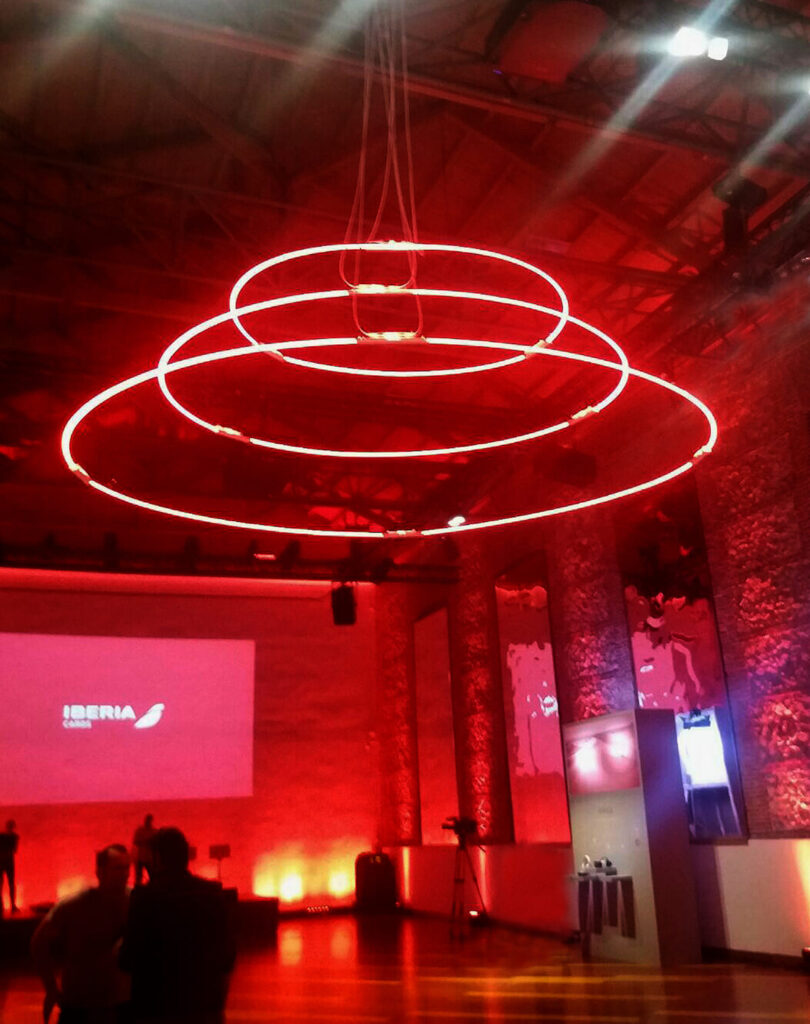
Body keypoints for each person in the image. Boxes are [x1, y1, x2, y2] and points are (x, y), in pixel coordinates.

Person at [120, 827, 235, 1024]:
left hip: (157, 1007)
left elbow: (129, 958)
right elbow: (227, 955)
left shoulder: (144, 898)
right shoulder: (211, 893)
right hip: (202, 1005)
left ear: (157, 858)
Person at [31, 844, 132, 1024]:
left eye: (126, 868)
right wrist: (51, 988)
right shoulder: (74, 905)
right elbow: (38, 942)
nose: (125, 873)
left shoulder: (136, 902)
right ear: (100, 872)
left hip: (120, 1002)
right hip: (81, 1003)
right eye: (118, 868)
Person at [0, 818, 20, 915]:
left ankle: (1, 906)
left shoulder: (1, 835)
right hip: (9, 861)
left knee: (0, 884)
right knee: (11, 884)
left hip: (0, 861)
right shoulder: (15, 837)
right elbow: (15, 850)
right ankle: (13, 906)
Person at [131, 815, 155, 887]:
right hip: (140, 857)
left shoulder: (154, 831)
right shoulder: (140, 831)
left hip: (149, 858)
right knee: (138, 877)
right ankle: (138, 888)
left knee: (152, 876)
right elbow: (135, 842)